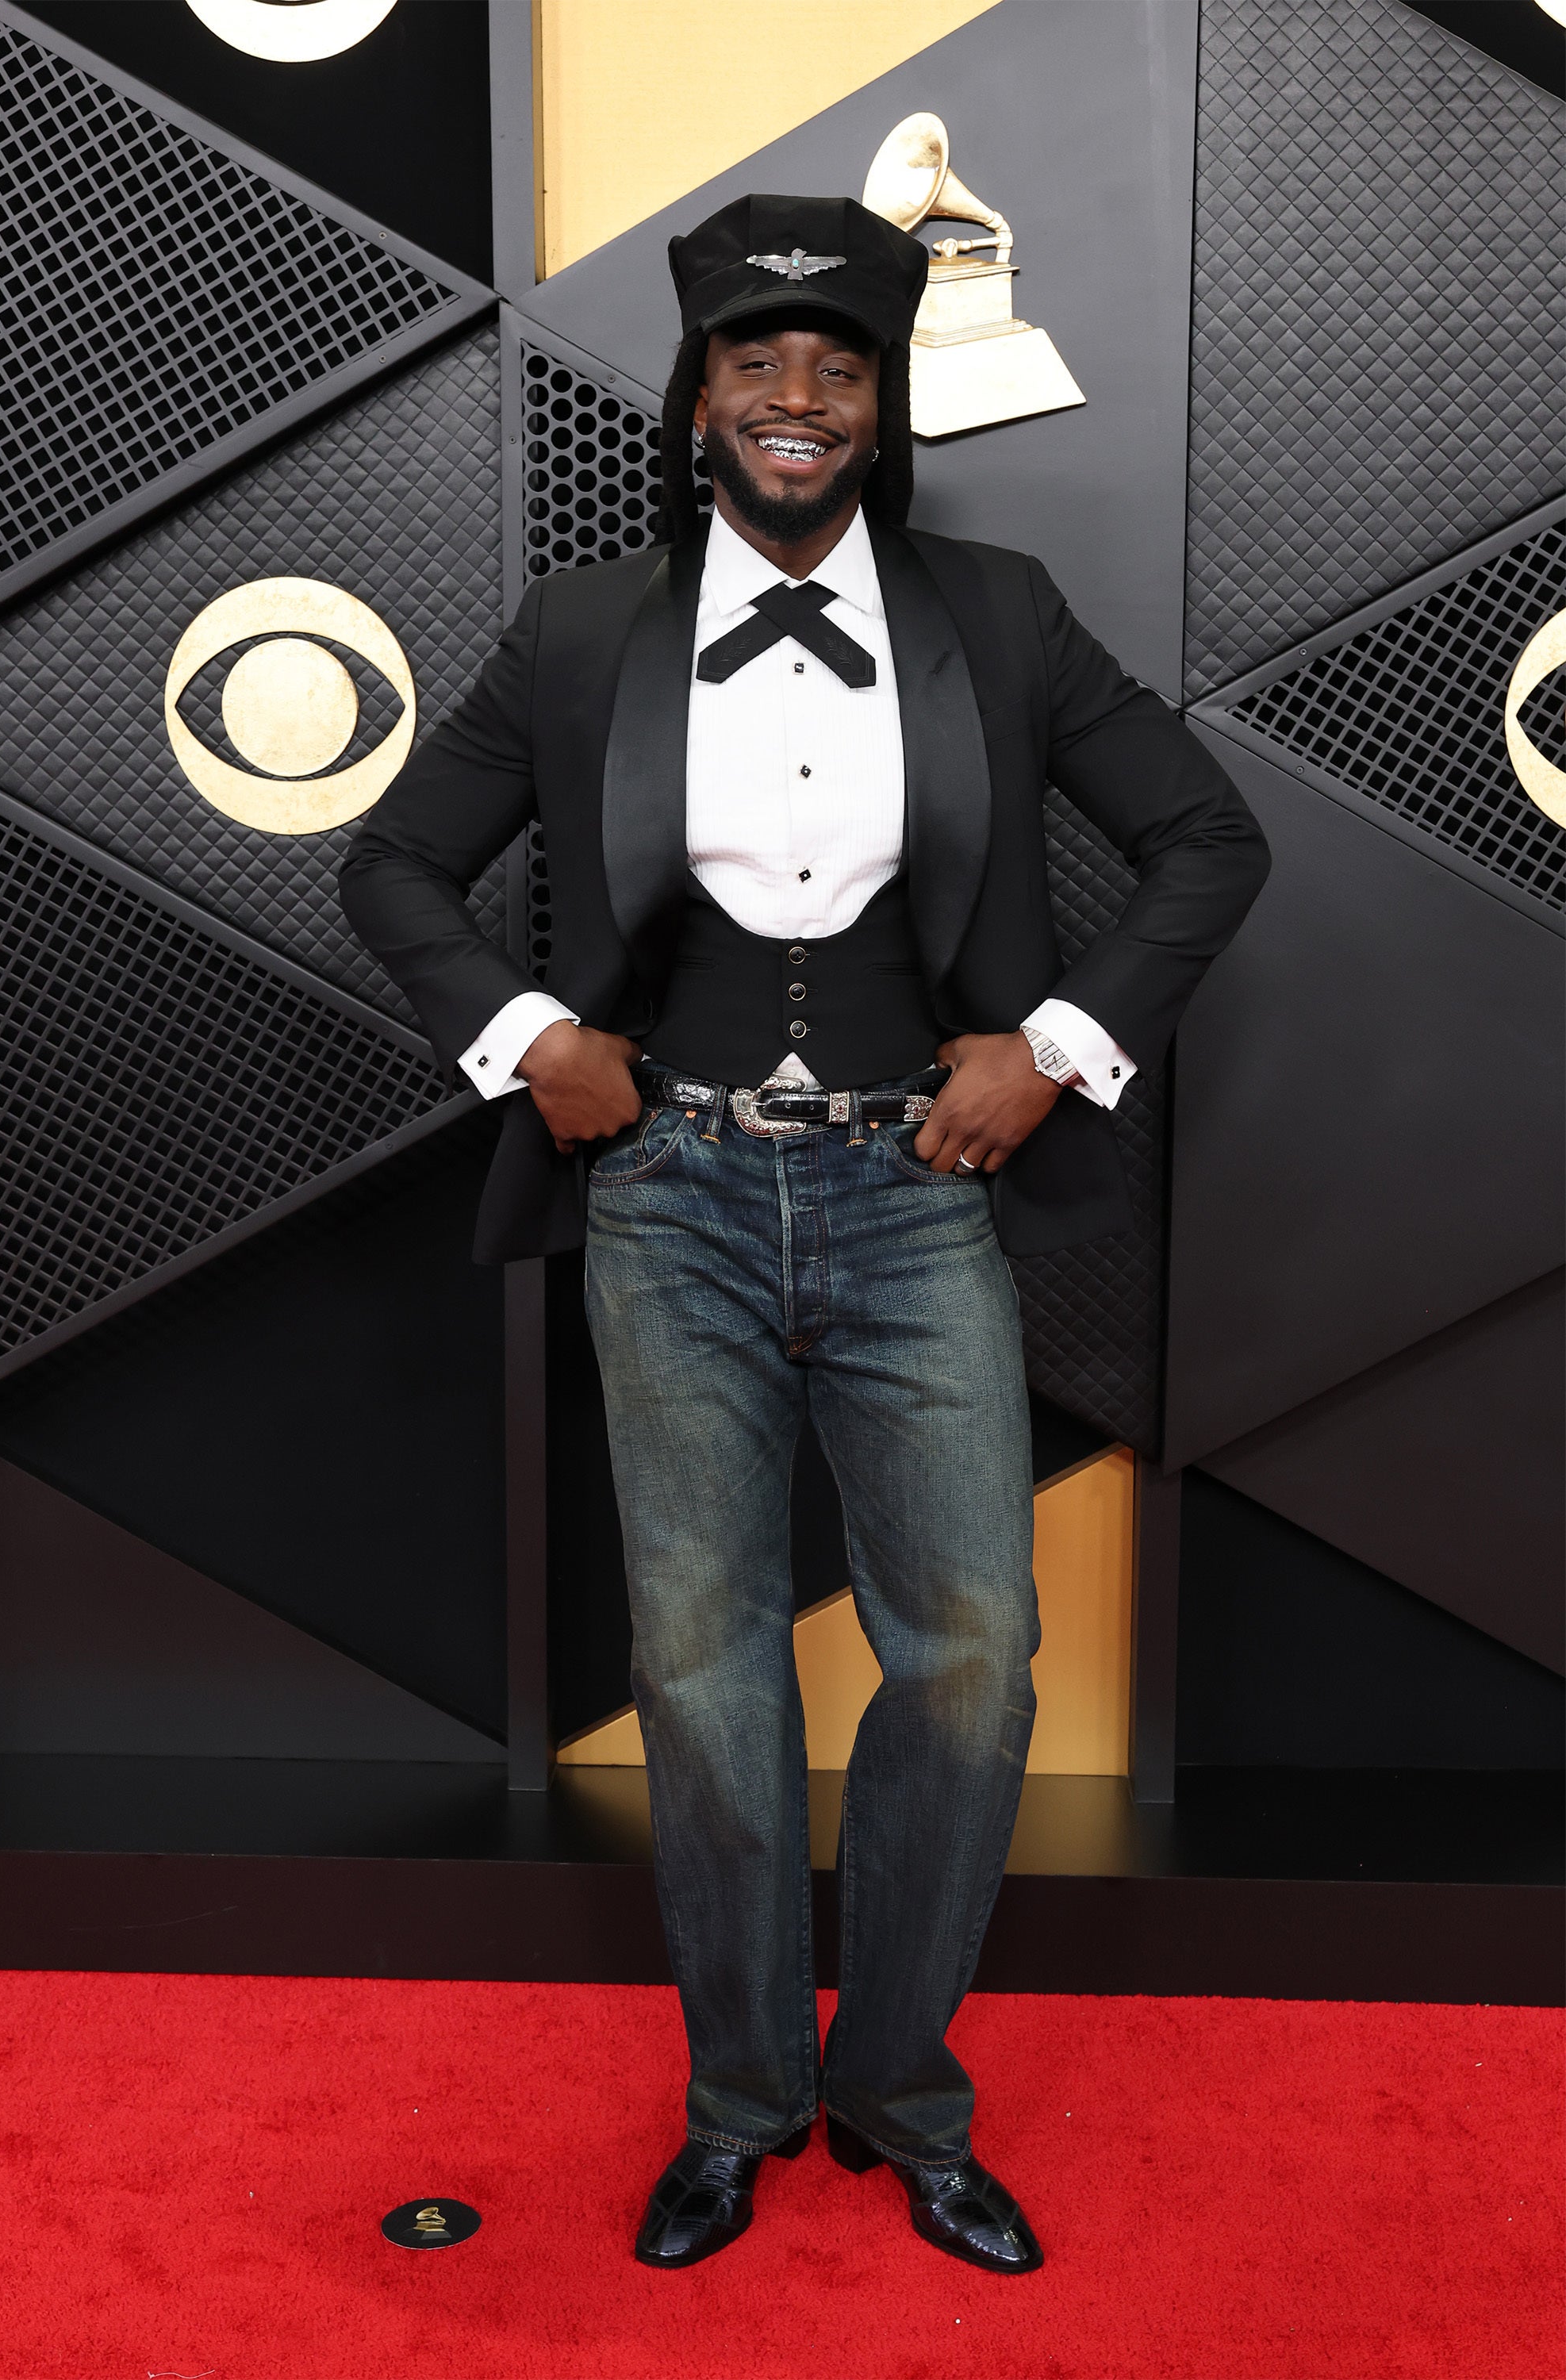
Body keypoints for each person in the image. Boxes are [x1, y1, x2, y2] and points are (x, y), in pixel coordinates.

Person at [340, 193, 1269, 2276]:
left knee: (973, 1654)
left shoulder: (999, 615)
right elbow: (395, 862)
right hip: (667, 1197)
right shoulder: (581, 630)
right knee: (702, 1666)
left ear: (883, 405)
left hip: (913, 1194)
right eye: (756, 363)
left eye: (837, 366)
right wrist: (526, 1036)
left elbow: (1210, 837)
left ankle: (900, 2095)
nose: (796, 397)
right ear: (697, 400)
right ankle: (742, 2103)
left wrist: (1056, 1049)